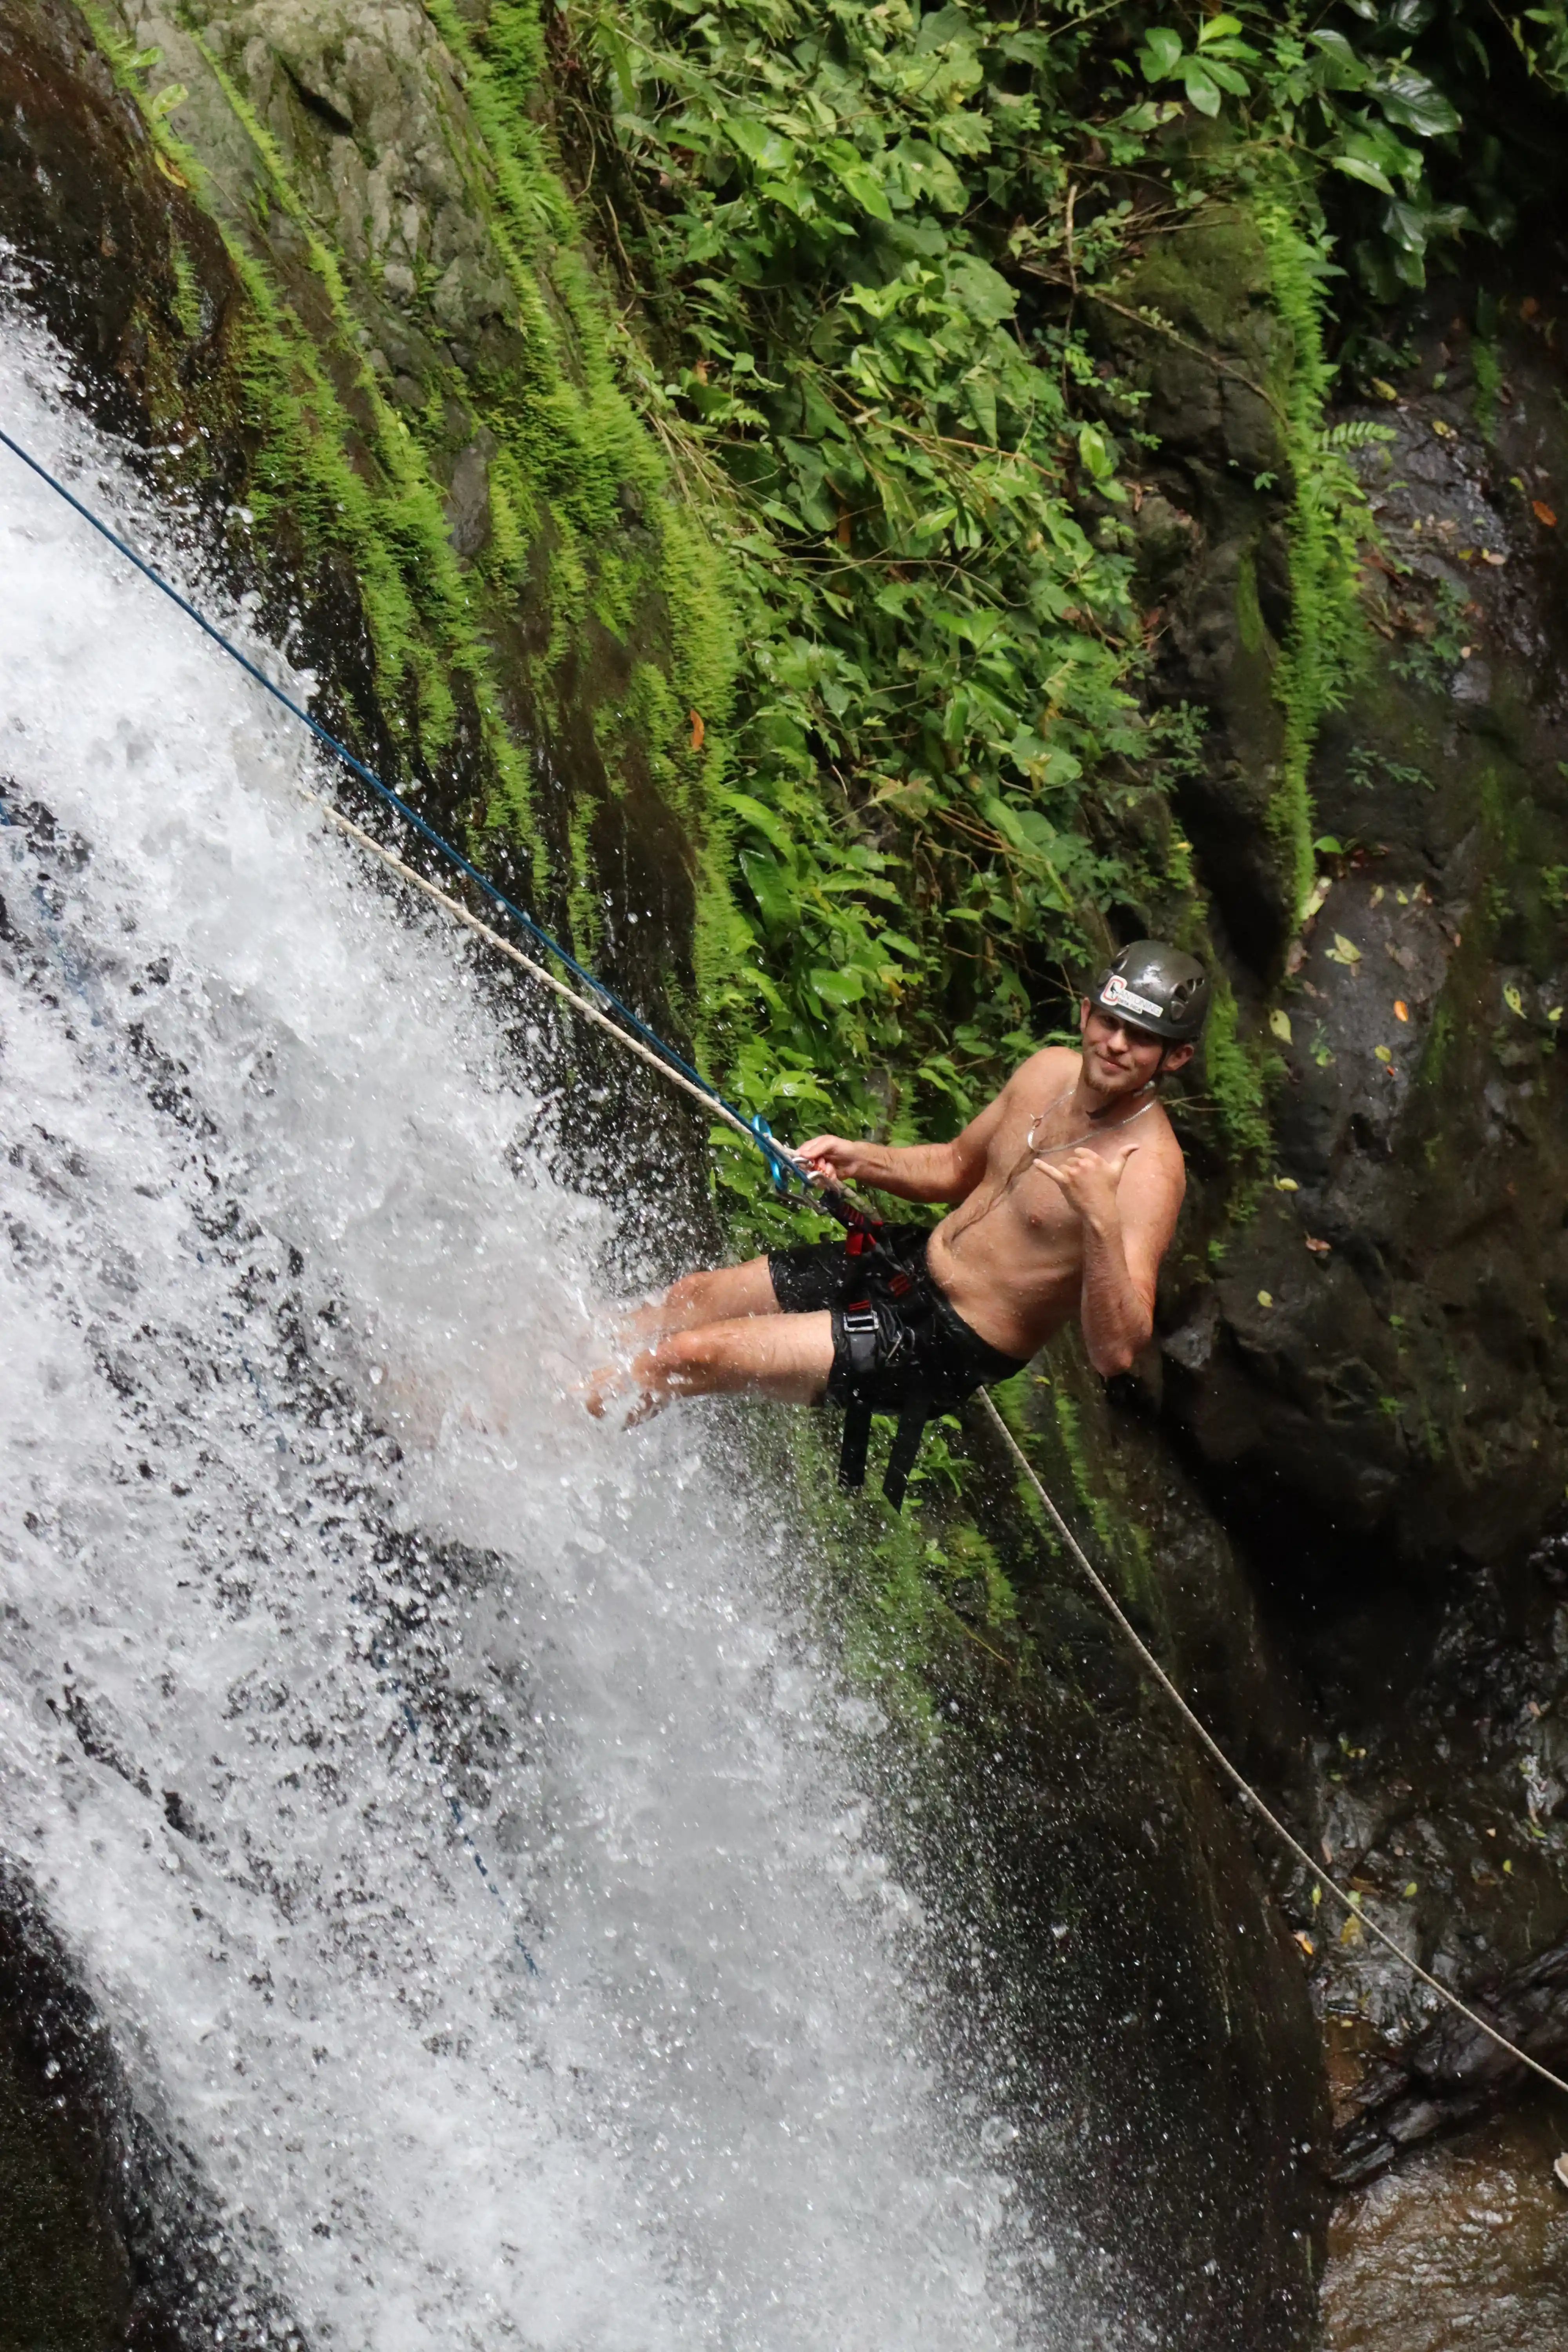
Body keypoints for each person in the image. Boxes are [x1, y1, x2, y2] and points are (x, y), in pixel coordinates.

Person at [584, 942, 1210, 1503]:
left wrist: (1099, 1220)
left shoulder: (1150, 1170)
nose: (1117, 1044)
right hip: (906, 1264)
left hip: (942, 1344)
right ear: (1085, 1013)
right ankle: (564, 1362)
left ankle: (551, 1430)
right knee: (692, 1298)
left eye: (1141, 1037)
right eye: (1110, 1021)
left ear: (1175, 1057)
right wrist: (861, 1160)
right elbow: (956, 1167)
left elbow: (1117, 1351)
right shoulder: (1048, 1071)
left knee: (695, 1354)